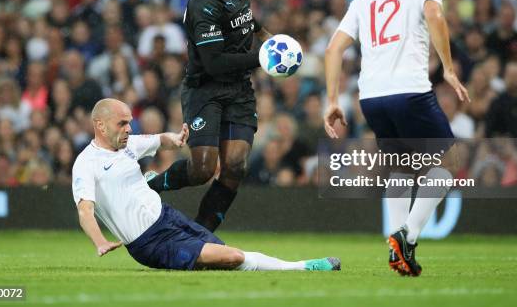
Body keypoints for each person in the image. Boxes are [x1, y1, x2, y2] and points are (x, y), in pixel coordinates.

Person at [323, 0, 470, 277]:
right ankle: (408, 235)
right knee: (448, 163)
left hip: (371, 98)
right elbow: (434, 13)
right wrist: (447, 67)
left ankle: (397, 250)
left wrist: (331, 100)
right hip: (410, 91)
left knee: (402, 169)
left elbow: (333, 50)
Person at [72, 98, 340, 271]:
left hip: (168, 217)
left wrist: (175, 138)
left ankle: (300, 267)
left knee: (227, 258)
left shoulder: (128, 145)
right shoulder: (87, 163)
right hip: (150, 242)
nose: (129, 129)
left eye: (130, 122)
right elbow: (85, 210)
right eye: (122, 123)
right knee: (232, 258)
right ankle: (304, 267)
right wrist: (99, 242)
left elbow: (157, 139)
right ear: (100, 125)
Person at [146, 0, 268, 233]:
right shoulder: (203, 3)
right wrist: (263, 57)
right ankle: (153, 183)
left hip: (239, 88)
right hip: (206, 88)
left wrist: (268, 38)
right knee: (202, 169)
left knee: (235, 166)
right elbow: (214, 64)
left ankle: (202, 236)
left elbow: (244, 18)